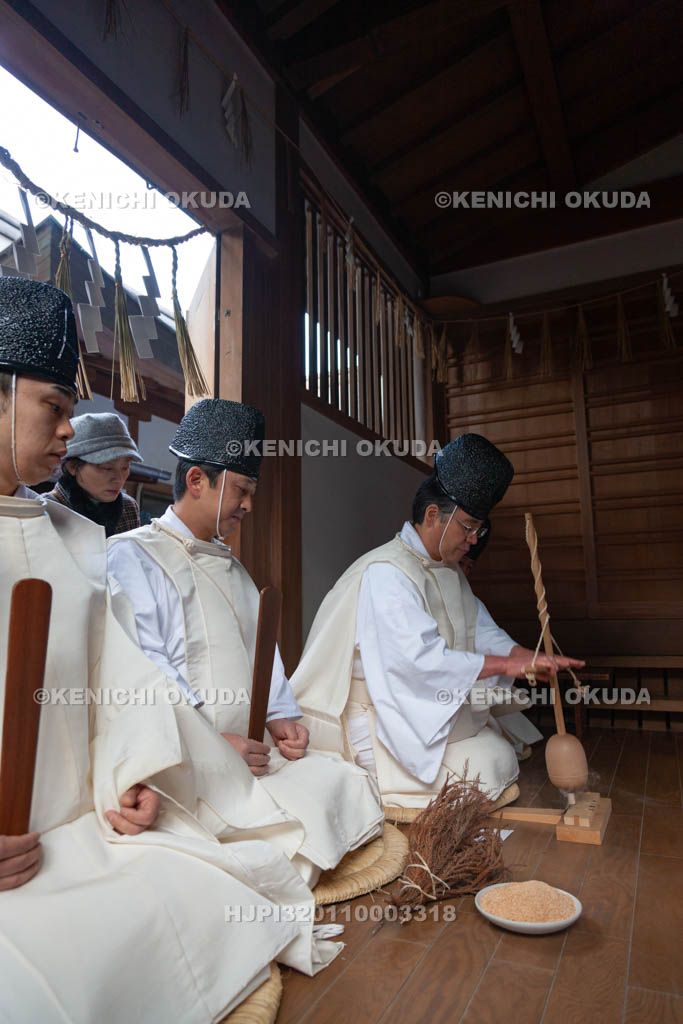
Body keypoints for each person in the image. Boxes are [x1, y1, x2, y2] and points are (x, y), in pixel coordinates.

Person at [0, 279, 339, 1024]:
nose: (70, 432)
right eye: (55, 409)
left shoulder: (79, 543)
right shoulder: (129, 552)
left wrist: (139, 772)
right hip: (13, 859)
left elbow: (120, 685)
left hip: (89, 823)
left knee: (202, 903)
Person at [108, 398, 384, 888]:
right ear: (197, 481)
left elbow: (263, 652)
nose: (249, 505)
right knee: (290, 838)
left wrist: (281, 716)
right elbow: (147, 670)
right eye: (241, 490)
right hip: (188, 759)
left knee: (345, 780)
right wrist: (214, 745)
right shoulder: (132, 558)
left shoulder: (231, 565)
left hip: (252, 750)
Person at [290, 433, 584, 813]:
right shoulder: (387, 573)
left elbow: (479, 629)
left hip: (423, 708)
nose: (473, 540)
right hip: (382, 715)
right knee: (485, 763)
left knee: (497, 751)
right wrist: (504, 666)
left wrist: (523, 655)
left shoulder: (448, 570)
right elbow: (418, 661)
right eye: (468, 527)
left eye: (478, 530)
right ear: (433, 516)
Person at [46, 412, 141, 535]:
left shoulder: (128, 508)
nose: (118, 478)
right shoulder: (46, 509)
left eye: (125, 467)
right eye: (107, 468)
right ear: (73, 466)